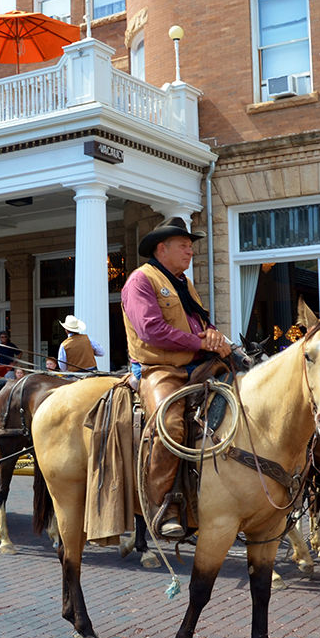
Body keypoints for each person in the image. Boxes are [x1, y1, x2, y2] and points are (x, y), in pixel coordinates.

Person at [122, 216, 230, 538]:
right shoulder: (141, 280)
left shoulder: (185, 285)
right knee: (168, 427)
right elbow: (150, 330)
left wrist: (213, 337)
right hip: (160, 369)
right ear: (162, 248)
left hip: (197, 365)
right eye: (184, 246)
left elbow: (200, 324)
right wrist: (199, 341)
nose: (190, 252)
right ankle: (162, 505)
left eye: (190, 246)